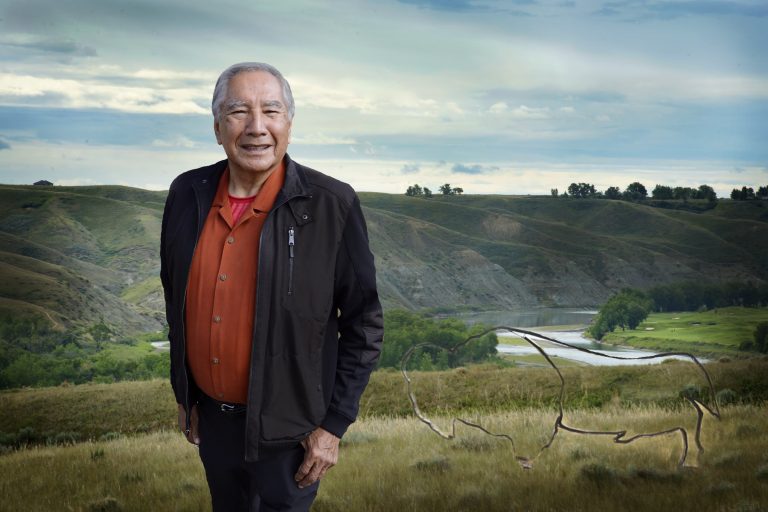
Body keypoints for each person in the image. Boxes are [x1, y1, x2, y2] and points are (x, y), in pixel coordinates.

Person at [160, 62, 384, 511]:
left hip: (294, 435)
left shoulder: (332, 204)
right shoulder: (187, 193)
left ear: (289, 123)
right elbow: (176, 303)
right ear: (217, 126)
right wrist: (185, 394)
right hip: (215, 426)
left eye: (271, 111)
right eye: (239, 111)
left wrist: (334, 426)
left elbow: (364, 322)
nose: (256, 127)